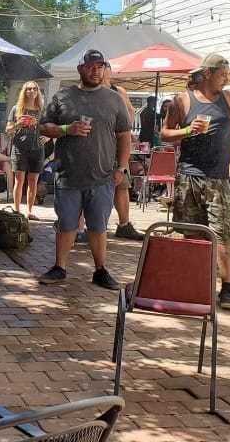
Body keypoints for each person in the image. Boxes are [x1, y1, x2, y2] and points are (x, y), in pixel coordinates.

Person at [161, 53, 230, 310]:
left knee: (221, 232)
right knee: (190, 232)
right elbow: (165, 134)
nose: (226, 79)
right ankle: (194, 282)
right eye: (223, 74)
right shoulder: (182, 100)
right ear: (208, 73)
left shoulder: (229, 99)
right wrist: (188, 130)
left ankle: (228, 286)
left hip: (218, 178)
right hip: (189, 176)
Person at [37, 49, 131, 289]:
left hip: (102, 176)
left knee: (98, 226)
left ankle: (100, 270)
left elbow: (124, 135)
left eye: (100, 66)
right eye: (91, 66)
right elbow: (44, 127)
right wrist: (67, 129)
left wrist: (122, 167)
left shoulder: (114, 99)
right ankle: (60, 267)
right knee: (66, 224)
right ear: (80, 69)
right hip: (68, 175)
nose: (96, 70)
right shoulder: (63, 96)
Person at [101, 62, 144, 241]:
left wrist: (123, 128)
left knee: (122, 184)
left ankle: (124, 225)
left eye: (104, 68)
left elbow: (130, 112)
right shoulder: (89, 91)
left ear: (109, 71)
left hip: (117, 146)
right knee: (94, 187)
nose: (101, 72)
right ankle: (89, 227)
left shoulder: (119, 91)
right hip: (98, 146)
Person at [6, 82, 45, 219]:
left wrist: (47, 137)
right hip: (20, 148)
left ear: (38, 92)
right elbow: (8, 130)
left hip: (37, 148)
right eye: (29, 89)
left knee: (33, 180)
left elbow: (49, 128)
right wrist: (18, 124)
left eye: (35, 89)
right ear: (24, 91)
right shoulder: (17, 109)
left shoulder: (41, 110)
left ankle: (29, 211)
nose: (32, 91)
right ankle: (17, 210)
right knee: (19, 180)